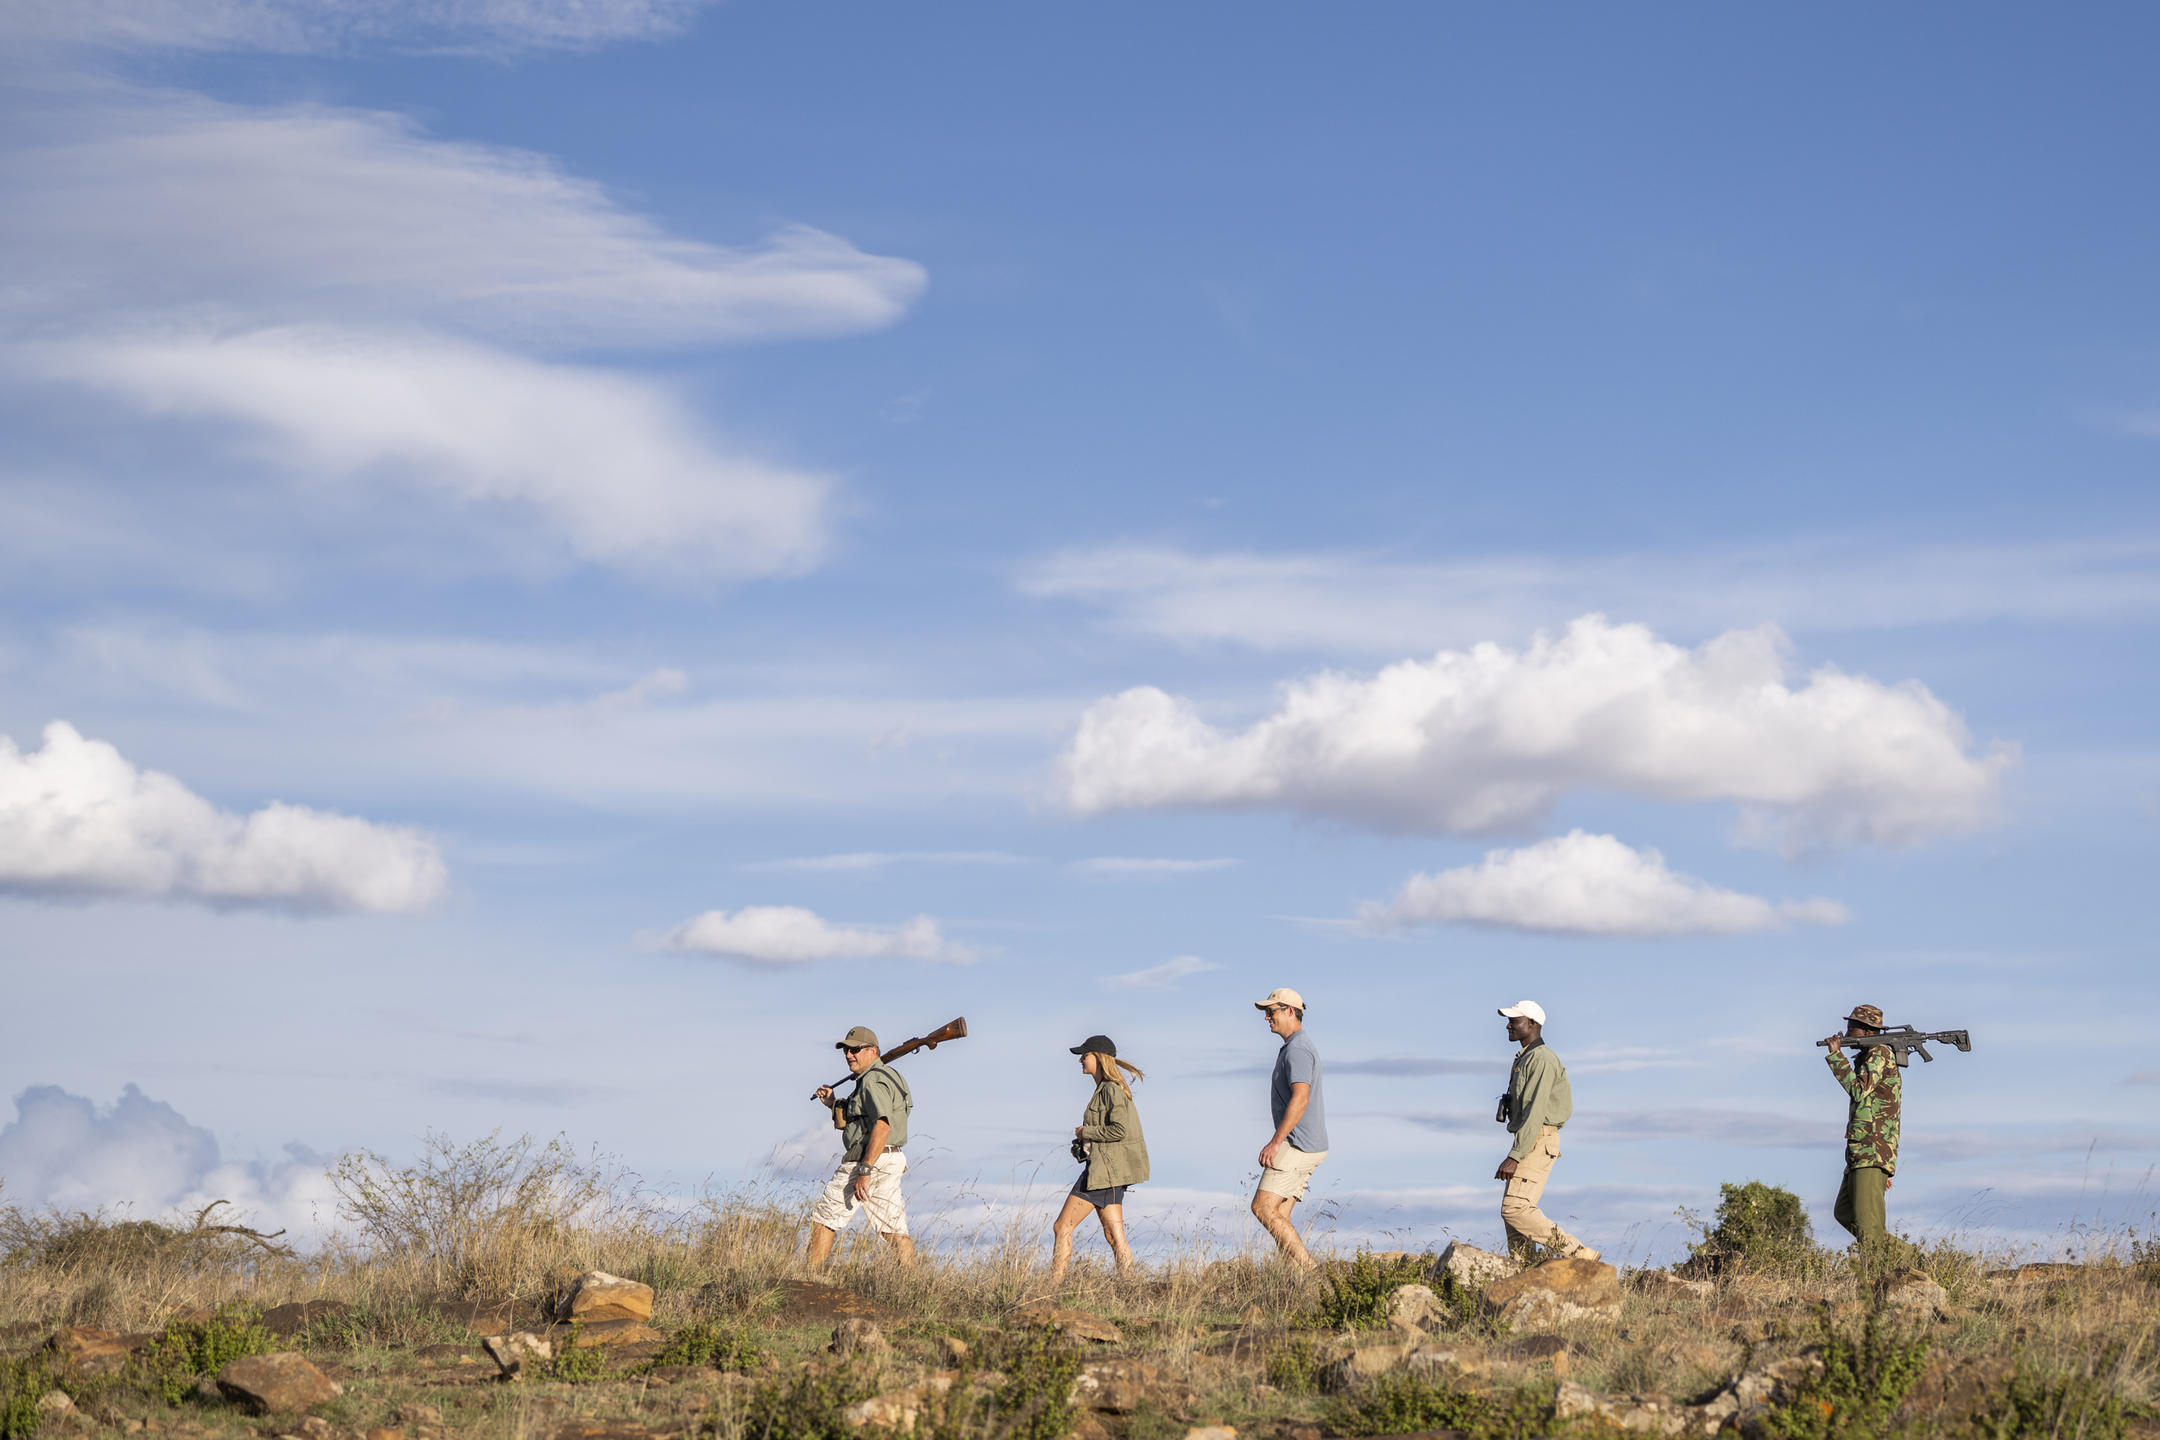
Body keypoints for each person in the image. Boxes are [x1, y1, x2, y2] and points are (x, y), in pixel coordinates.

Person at [1494, 1000, 1598, 1261]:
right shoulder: (1528, 1056)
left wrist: (1515, 1156)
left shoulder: (1541, 1059)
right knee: (1515, 1216)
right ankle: (1525, 1273)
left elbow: (1536, 1112)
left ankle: (1580, 1254)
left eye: (1514, 1021)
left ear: (1532, 1024)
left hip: (1537, 1139)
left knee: (1515, 1209)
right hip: (1530, 1137)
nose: (1508, 1025)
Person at [806, 1025, 915, 1269]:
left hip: (866, 1160)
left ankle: (809, 1280)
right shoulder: (889, 1077)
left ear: (873, 1050)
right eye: (846, 1050)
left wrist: (864, 1170)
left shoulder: (871, 1081)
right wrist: (833, 1103)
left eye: (855, 1049)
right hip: (891, 1158)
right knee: (893, 1228)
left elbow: (882, 1126)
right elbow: (861, 1122)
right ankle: (912, 1284)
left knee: (825, 1218)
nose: (848, 1055)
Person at [1048, 1034, 1150, 1285]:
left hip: (1104, 1174)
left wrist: (1086, 1132)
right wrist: (1083, 1145)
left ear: (1099, 1058)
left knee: (1062, 1227)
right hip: (1107, 1172)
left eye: (1085, 1055)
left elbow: (1119, 1131)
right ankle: (1128, 1287)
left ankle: (1053, 1286)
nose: (1081, 1059)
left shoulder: (1111, 1090)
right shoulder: (1108, 1089)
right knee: (1115, 1236)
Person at [1251, 987, 1327, 1270]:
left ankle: (1311, 1271)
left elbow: (1301, 1097)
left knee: (1262, 1208)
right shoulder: (1295, 1047)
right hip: (1307, 1143)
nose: (1267, 1018)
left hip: (1297, 1144)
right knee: (1280, 1215)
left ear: (1290, 1011)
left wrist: (1276, 1142)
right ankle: (1294, 1284)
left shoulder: (1297, 1049)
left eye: (1272, 1012)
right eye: (1267, 1013)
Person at [1820, 1002, 1900, 1250]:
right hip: (1861, 1152)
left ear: (1866, 1030)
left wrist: (1836, 1057)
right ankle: (1910, 1259)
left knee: (1869, 1228)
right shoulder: (1868, 1056)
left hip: (1872, 1152)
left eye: (1851, 1028)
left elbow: (1858, 1090)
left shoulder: (1881, 1053)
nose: (1845, 1034)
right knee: (1844, 1212)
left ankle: (1908, 1267)